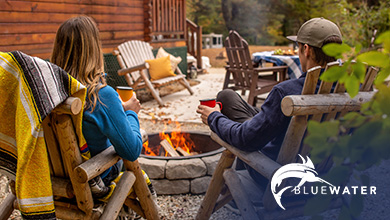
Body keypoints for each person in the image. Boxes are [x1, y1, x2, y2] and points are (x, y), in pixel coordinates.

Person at [197, 17, 342, 187]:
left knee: (234, 118)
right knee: (228, 97)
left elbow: (245, 139)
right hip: (325, 172)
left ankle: (237, 187)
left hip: (275, 174)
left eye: (298, 48)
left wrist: (214, 117)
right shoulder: (352, 88)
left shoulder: (286, 93)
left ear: (307, 49)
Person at [51, 16, 143, 199]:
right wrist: (131, 112)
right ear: (94, 49)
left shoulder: (49, 91)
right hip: (91, 178)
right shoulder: (100, 96)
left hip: (52, 176)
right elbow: (131, 151)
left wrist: (118, 109)